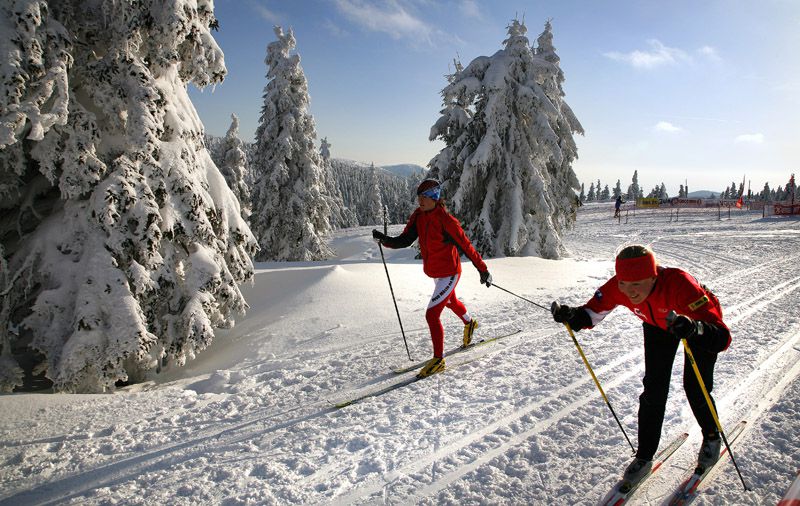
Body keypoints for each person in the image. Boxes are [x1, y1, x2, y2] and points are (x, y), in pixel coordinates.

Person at [550, 245, 731, 485]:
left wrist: (695, 329)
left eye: (636, 283)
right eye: (624, 283)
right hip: (657, 325)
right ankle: (644, 456)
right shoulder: (618, 286)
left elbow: (721, 337)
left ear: (653, 277)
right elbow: (591, 312)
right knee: (653, 389)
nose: (629, 291)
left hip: (695, 323)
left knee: (695, 387)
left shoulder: (680, 284)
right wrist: (572, 316)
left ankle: (711, 437)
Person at [372, 179, 492, 378]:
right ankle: (470, 323)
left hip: (450, 273)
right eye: (419, 196)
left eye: (424, 197)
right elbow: (405, 240)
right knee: (451, 302)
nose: (420, 200)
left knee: (432, 314)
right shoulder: (418, 216)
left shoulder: (446, 221)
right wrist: (385, 240)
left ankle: (438, 360)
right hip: (436, 273)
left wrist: (483, 270)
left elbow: (466, 246)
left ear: (434, 198)